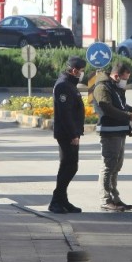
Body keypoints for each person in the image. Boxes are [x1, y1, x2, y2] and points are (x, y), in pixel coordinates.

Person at [92, 62, 132, 212]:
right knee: (108, 166)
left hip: (119, 132)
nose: (126, 81)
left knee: (116, 167)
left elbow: (122, 105)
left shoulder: (115, 87)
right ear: (116, 75)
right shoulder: (102, 87)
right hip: (109, 132)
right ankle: (105, 199)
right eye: (125, 78)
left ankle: (115, 199)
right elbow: (108, 108)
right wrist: (129, 116)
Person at [48, 56, 87, 214]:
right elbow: (66, 114)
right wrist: (73, 134)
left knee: (70, 166)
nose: (82, 74)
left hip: (72, 133)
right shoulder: (64, 85)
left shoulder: (70, 83)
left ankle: (62, 200)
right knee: (68, 167)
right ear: (74, 70)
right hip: (66, 134)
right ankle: (56, 201)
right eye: (81, 71)